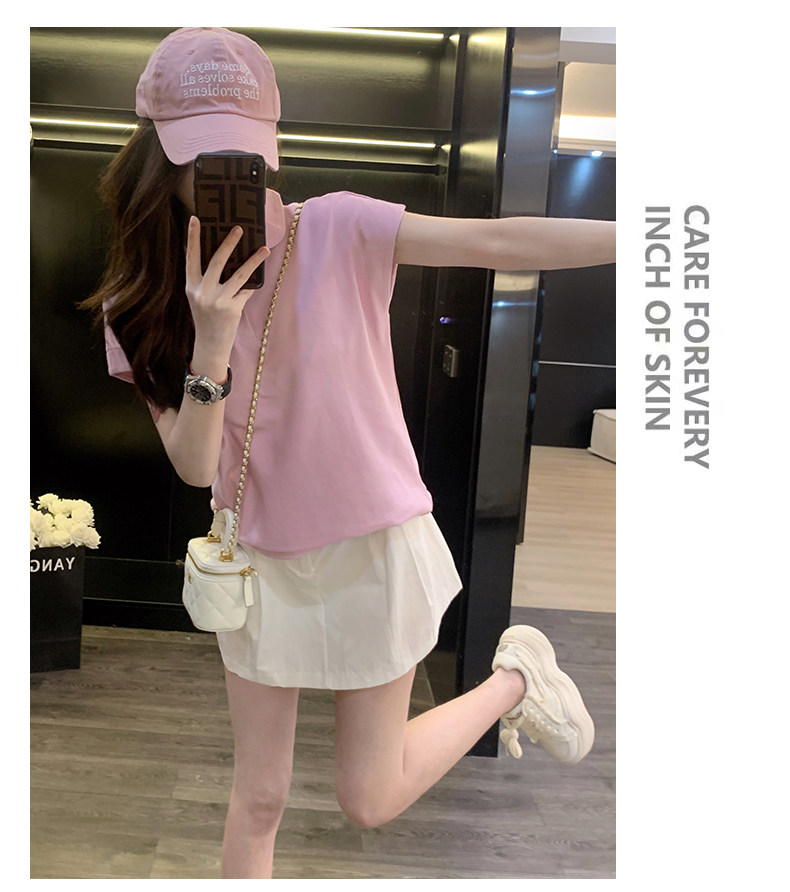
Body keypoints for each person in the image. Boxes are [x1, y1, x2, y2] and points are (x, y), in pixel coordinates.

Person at [81, 27, 615, 879]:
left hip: (373, 548)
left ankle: (515, 677)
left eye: (242, 154)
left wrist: (656, 234)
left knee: (370, 796)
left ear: (269, 148)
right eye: (201, 156)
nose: (226, 175)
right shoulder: (138, 303)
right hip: (257, 567)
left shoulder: (338, 228)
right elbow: (194, 466)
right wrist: (211, 339)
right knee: (260, 795)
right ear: (156, 155)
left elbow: (497, 242)